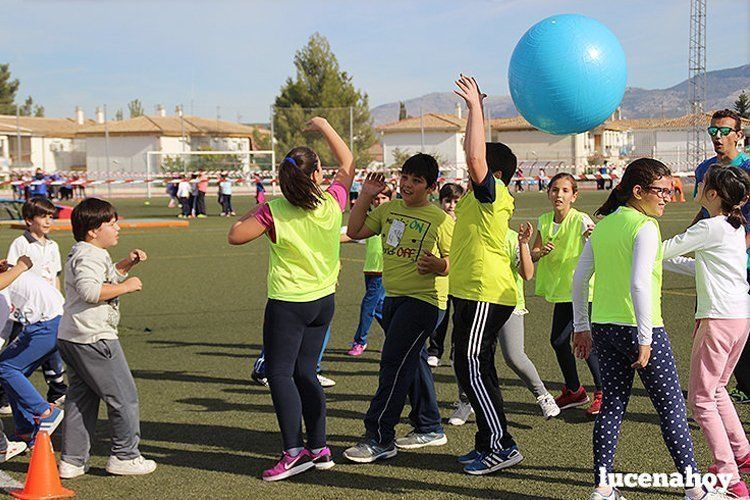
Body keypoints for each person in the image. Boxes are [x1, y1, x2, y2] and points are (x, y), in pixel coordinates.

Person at [572, 158, 722, 500]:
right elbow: (640, 284)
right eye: (661, 191)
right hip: (642, 330)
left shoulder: (605, 224)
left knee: (611, 406)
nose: (667, 197)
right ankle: (694, 488)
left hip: (604, 329)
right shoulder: (644, 227)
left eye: (670, 190)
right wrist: (644, 338)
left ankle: (603, 487)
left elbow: (580, 279)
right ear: (638, 191)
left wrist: (582, 326)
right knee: (670, 408)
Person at [228, 117, 354, 481]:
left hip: (288, 304)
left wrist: (263, 207)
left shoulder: (274, 211)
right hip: (323, 303)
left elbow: (235, 235)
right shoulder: (332, 203)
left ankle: (294, 453)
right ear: (317, 175)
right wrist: (326, 126)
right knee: (305, 372)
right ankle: (319, 447)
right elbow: (348, 165)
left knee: (280, 374)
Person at [343, 155, 453, 464]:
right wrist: (364, 196)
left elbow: (458, 261)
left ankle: (380, 437)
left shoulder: (442, 220)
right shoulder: (388, 210)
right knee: (411, 363)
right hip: (394, 298)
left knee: (392, 364)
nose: (408, 184)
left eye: (417, 181)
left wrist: (441, 265)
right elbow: (355, 231)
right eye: (405, 177)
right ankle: (430, 426)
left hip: (425, 302)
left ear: (431, 187)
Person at [447, 75, 522, 475]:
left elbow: (476, 159)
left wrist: (476, 108)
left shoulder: (491, 194)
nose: (467, 159)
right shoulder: (481, 199)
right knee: (475, 367)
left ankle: (501, 445)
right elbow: (474, 155)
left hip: (485, 292)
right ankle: (487, 441)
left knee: (471, 365)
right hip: (472, 292)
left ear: (493, 172)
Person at [662, 166, 750, 499]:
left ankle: (728, 476)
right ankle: (741, 453)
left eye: (701, 184)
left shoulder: (709, 226)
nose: (696, 186)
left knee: (699, 398)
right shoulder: (732, 226)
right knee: (717, 390)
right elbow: (696, 265)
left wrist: (620, 243)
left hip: (718, 320)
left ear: (712, 194)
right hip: (740, 318)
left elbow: (663, 249)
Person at [56, 198, 156, 479]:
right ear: (92, 231)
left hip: (72, 336)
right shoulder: (88, 255)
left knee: (81, 399)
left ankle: (73, 461)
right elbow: (90, 291)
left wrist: (127, 264)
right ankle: (125, 455)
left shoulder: (88, 252)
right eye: (111, 224)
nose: (118, 228)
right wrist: (126, 287)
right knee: (124, 396)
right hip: (93, 338)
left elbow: (106, 276)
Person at [448, 221, 560, 426]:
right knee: (463, 355)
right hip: (475, 303)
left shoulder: (510, 237)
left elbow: (527, 274)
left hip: (508, 303)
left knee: (514, 356)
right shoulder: (469, 233)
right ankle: (466, 402)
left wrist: (524, 243)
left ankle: (543, 396)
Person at [692, 109, 750, 405]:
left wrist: (740, 249)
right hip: (713, 263)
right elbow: (705, 212)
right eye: (712, 132)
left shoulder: (749, 166)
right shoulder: (704, 169)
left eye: (724, 131)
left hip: (742, 260)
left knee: (739, 325)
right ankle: (723, 389)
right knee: (712, 322)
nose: (718, 137)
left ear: (739, 135)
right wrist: (692, 237)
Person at [531, 173, 602, 415]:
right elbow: (533, 253)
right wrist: (541, 253)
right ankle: (574, 391)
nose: (558, 194)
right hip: (561, 292)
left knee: (584, 340)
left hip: (581, 292)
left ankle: (603, 393)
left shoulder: (580, 219)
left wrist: (592, 237)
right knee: (559, 341)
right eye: (554, 190)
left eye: (564, 190)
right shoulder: (544, 220)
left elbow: (595, 238)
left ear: (574, 196)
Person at [0, 196, 67, 415]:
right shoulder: (21, 244)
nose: (48, 221)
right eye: (42, 216)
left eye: (50, 216)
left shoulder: (53, 245)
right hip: (25, 310)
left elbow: (55, 275)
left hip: (47, 308)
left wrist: (59, 298)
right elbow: (10, 277)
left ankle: (55, 393)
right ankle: (7, 397)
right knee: (15, 358)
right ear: (29, 220)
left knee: (48, 354)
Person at [0, 257, 65, 447]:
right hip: (49, 322)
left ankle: (45, 412)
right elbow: (6, 326)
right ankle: (27, 431)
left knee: (6, 368)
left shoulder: (4, 286)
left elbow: (2, 326)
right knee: (12, 373)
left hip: (49, 324)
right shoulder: (8, 279)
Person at [346, 184, 393, 357]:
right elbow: (351, 233)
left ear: (390, 199)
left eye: (383, 198)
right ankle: (394, 337)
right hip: (370, 269)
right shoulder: (369, 219)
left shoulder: (392, 219)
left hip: (383, 270)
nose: (379, 201)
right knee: (379, 308)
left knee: (368, 306)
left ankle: (360, 341)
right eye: (376, 198)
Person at [426, 182, 463, 367]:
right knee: (439, 317)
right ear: (441, 202)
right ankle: (434, 350)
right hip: (440, 277)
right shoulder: (437, 220)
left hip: (460, 277)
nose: (452, 206)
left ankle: (456, 352)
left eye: (456, 201)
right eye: (448, 201)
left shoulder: (464, 221)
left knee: (460, 318)